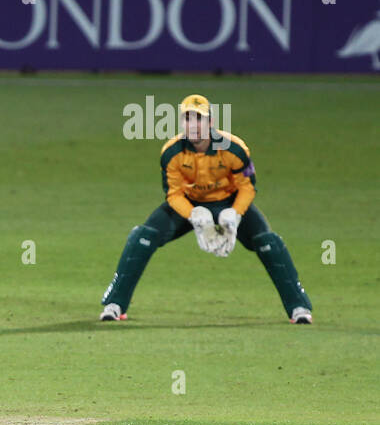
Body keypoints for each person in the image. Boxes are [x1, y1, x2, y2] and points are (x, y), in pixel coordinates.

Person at [99, 95, 312, 325]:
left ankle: (298, 307)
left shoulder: (234, 148)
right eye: (188, 119)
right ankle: (115, 304)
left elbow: (247, 187)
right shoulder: (172, 153)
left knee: (268, 241)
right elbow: (173, 194)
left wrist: (236, 213)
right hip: (189, 204)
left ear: (211, 123)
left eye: (199, 119)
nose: (194, 125)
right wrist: (193, 214)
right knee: (143, 237)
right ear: (182, 123)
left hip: (229, 202)